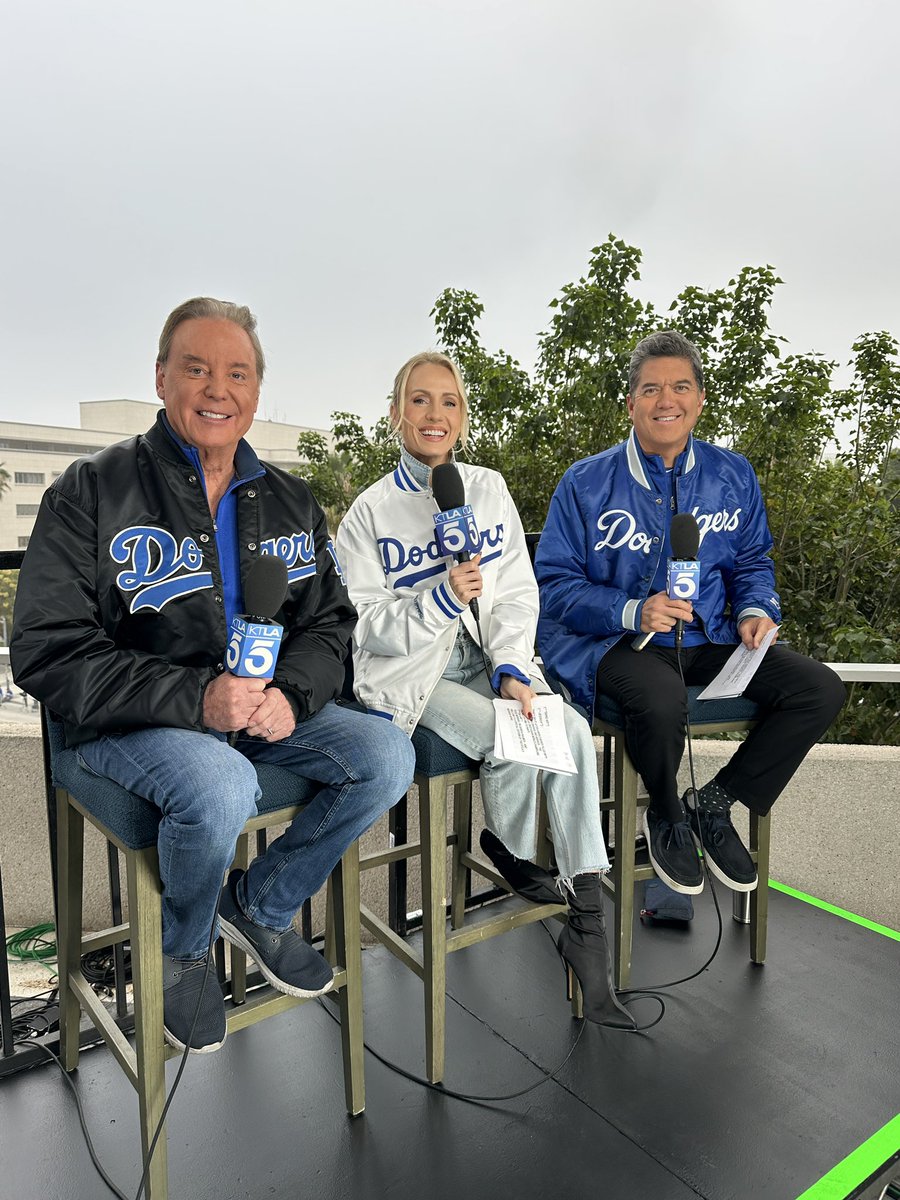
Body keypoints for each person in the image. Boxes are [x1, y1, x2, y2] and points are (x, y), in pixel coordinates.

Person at [11, 297, 415, 1053]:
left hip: (257, 711)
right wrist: (198, 697)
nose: (216, 388)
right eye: (196, 368)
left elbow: (330, 625)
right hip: (128, 724)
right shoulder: (92, 489)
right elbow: (46, 647)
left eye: (237, 373)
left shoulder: (290, 500)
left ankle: (260, 905)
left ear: (257, 392)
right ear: (162, 378)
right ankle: (184, 947)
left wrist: (291, 696)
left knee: (389, 756)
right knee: (221, 786)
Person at [334, 351, 633, 1028]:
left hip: (486, 663)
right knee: (513, 736)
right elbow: (365, 630)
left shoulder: (487, 489)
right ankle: (512, 848)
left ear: (462, 417)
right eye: (420, 400)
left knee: (574, 731)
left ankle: (587, 927)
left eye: (449, 402)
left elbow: (517, 594)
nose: (434, 415)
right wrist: (441, 596)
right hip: (415, 677)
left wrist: (511, 669)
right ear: (396, 413)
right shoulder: (368, 514)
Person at [535, 330, 846, 896]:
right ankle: (666, 815)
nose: (666, 400)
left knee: (820, 688)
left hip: (710, 637)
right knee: (661, 698)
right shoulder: (584, 482)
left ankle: (713, 802)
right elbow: (553, 586)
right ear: (631, 404)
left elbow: (752, 560)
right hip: (612, 644)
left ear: (701, 399)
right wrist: (633, 609)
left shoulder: (734, 475)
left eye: (680, 387)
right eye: (651, 389)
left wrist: (755, 609)